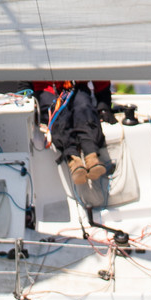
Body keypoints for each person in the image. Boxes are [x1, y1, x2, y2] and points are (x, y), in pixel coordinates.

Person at [48, 80, 112, 210]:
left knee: (84, 108)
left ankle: (91, 157)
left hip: (77, 87)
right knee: (60, 117)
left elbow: (101, 80)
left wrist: (104, 107)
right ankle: (74, 160)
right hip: (48, 91)